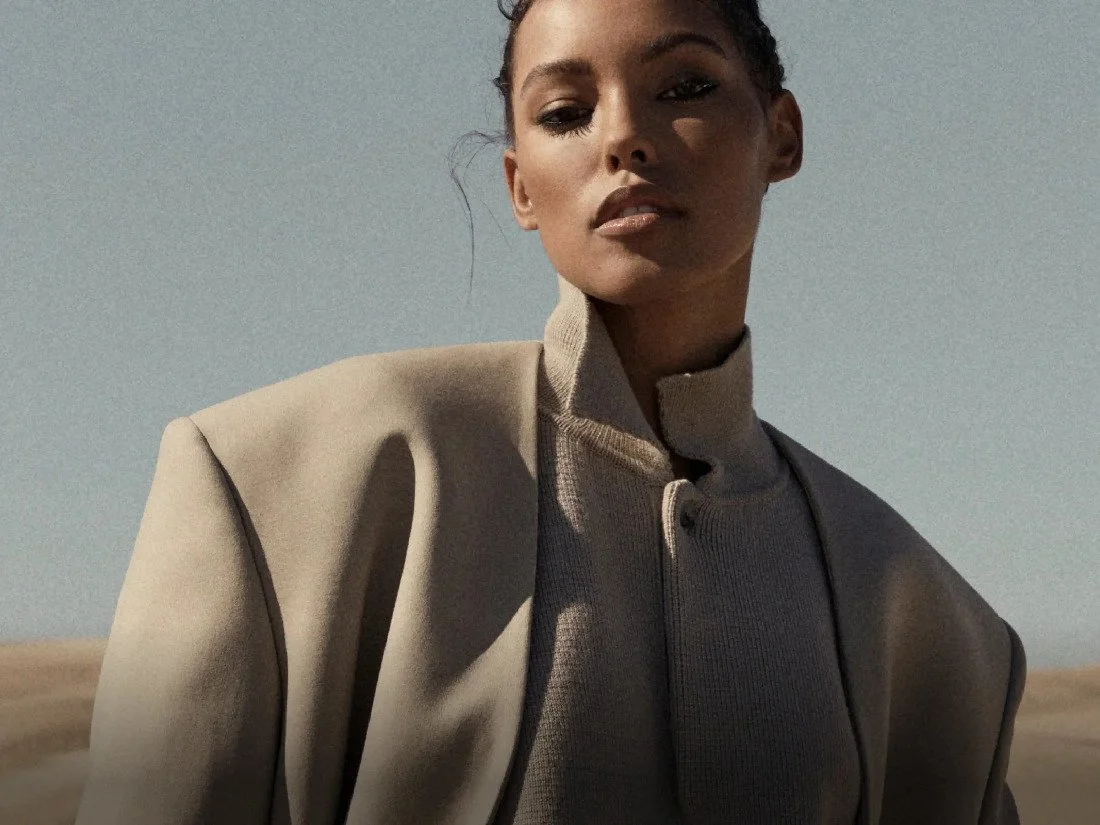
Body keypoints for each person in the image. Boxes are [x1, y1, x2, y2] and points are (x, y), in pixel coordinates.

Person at [75, 1, 1026, 823]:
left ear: (783, 135)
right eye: (566, 112)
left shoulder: (928, 620)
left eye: (685, 87)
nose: (624, 138)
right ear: (521, 186)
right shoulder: (280, 478)